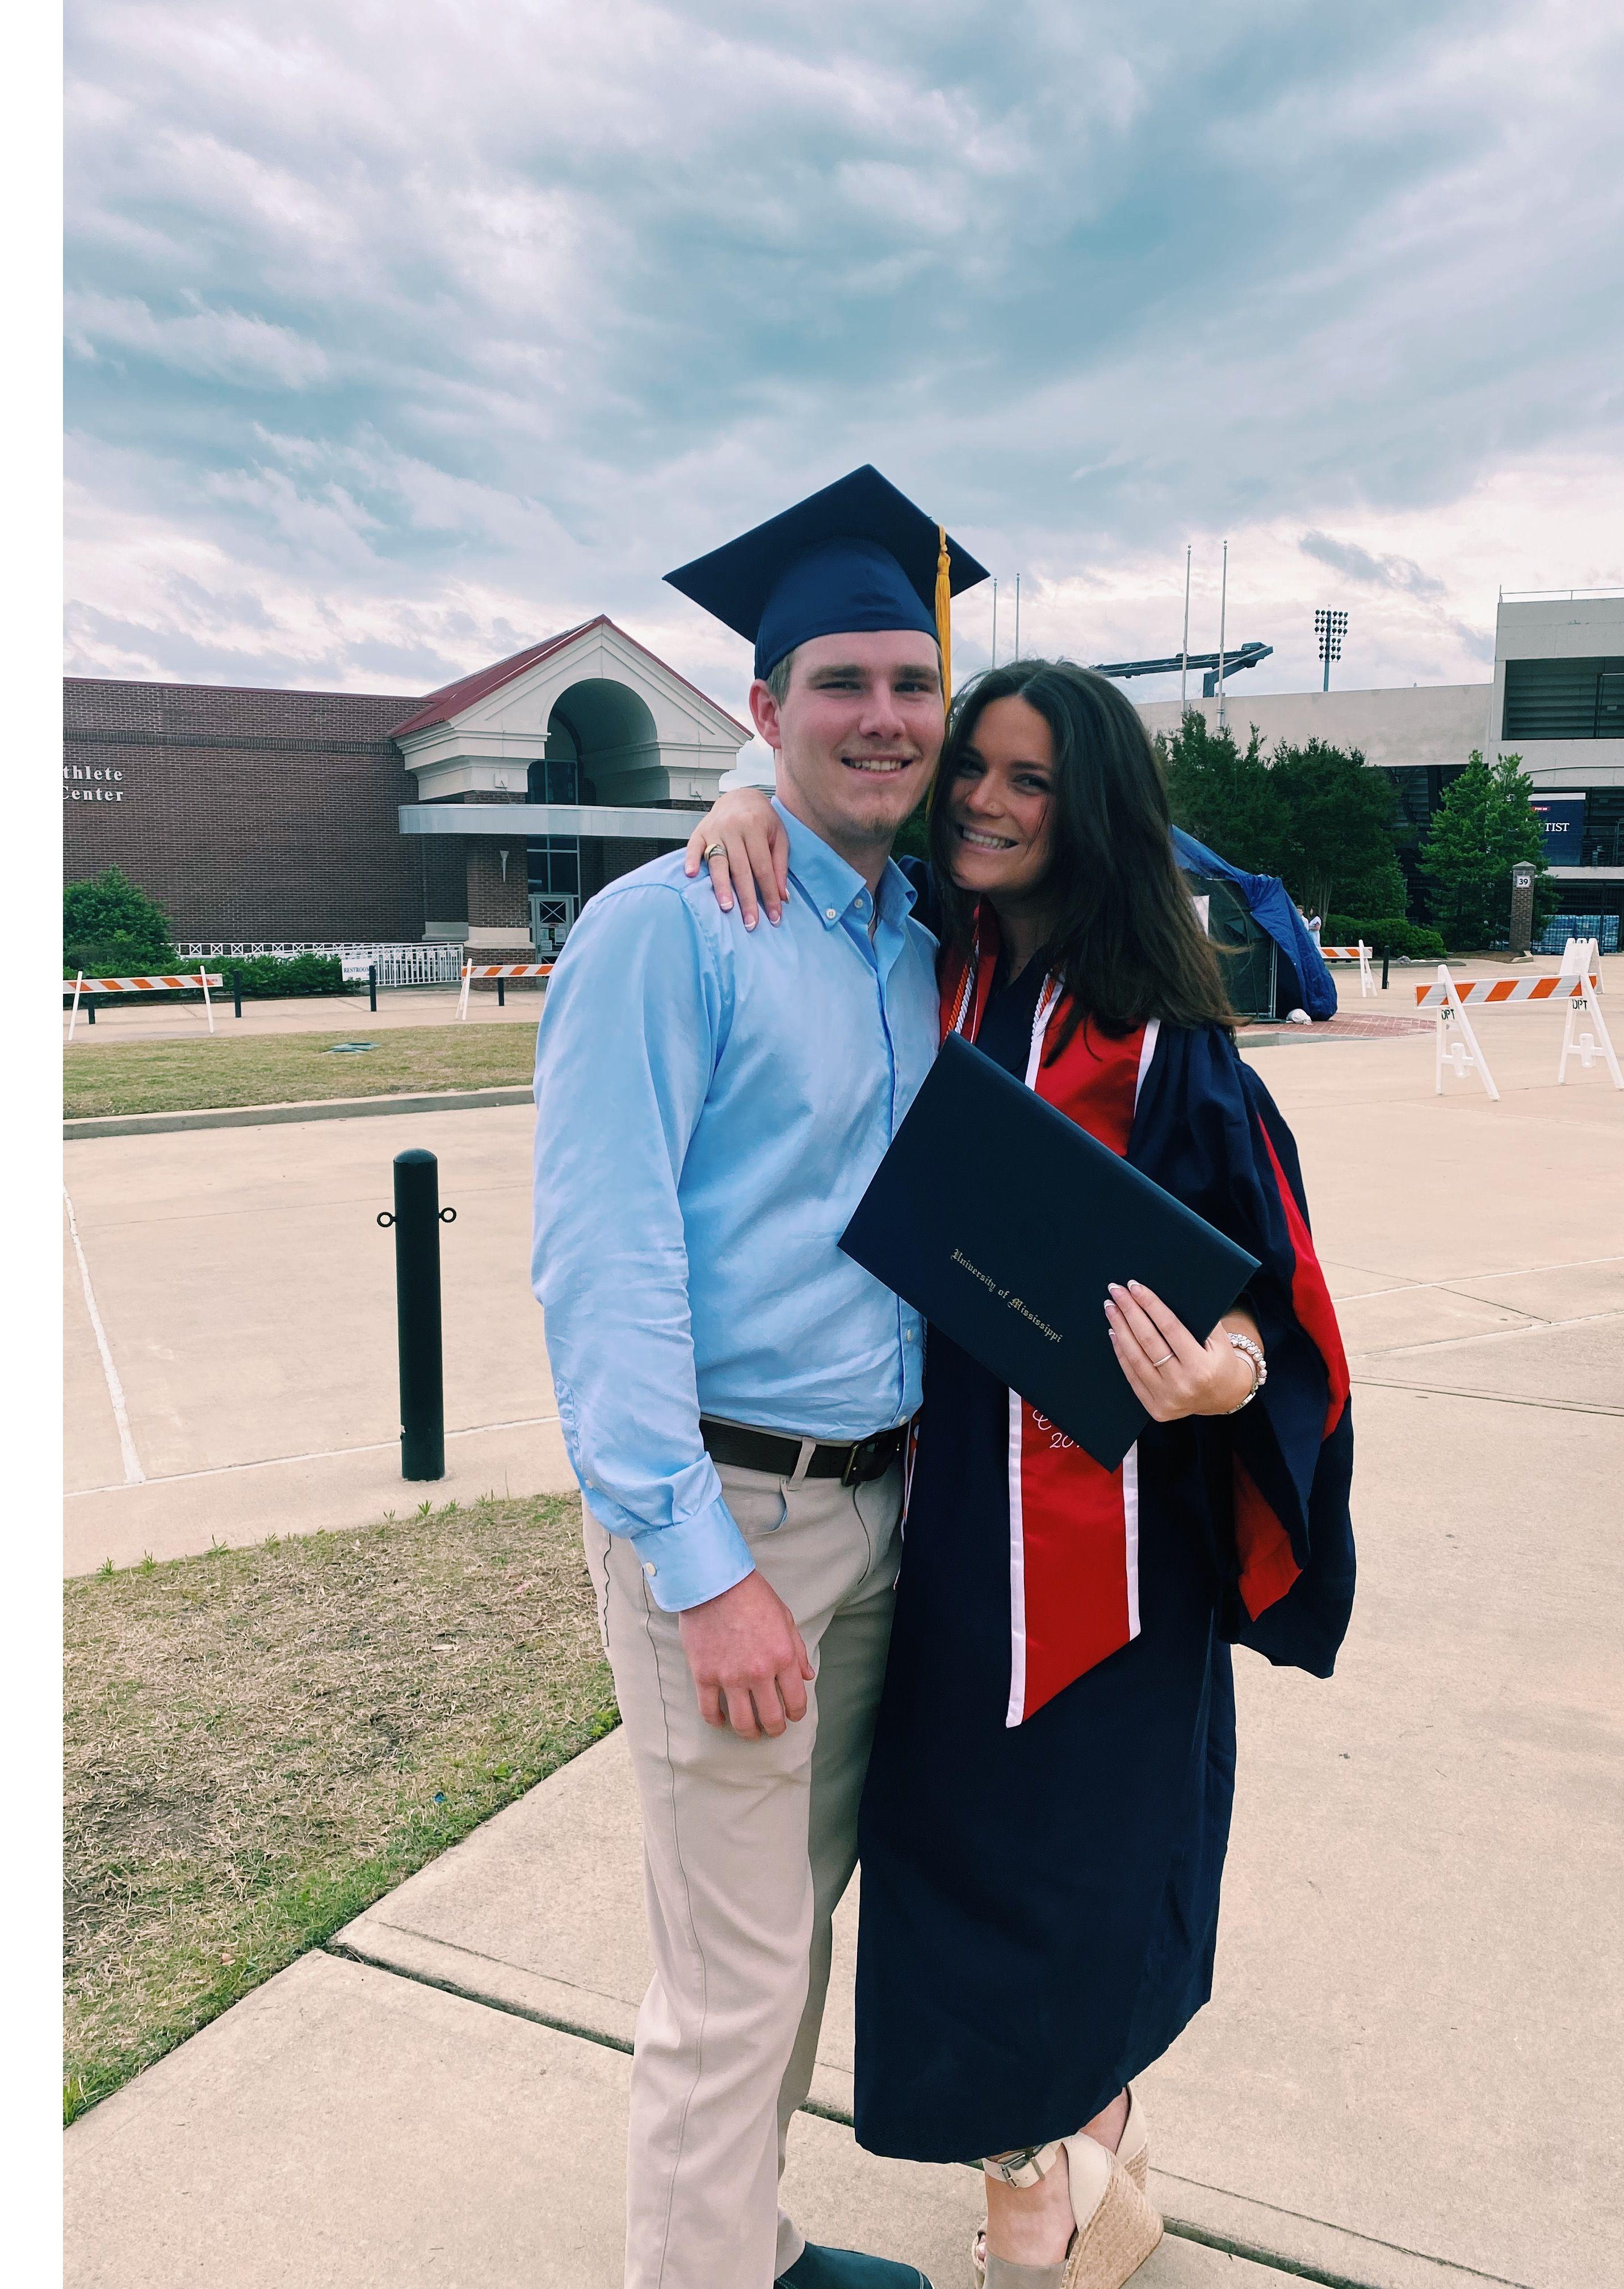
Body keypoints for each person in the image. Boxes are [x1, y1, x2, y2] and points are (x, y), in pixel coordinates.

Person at [686, 661, 1355, 2289]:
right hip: (944, 1541)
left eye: (1027, 780)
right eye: (972, 767)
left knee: (1077, 1884)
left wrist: (1225, 1377)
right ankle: (1076, 2152)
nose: (979, 798)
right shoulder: (923, 963)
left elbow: (1286, 1306)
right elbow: (818, 804)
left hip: (1115, 1560)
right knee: (964, 1881)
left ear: (1094, 809)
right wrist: (732, 791)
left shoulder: (1172, 1049)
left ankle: (1042, 2204)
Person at [531, 464, 991, 2289]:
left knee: (786, 1934)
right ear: (764, 708)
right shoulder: (668, 931)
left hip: (888, 1501)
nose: (883, 718)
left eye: (911, 685)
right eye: (838, 687)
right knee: (731, 1982)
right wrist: (702, 1573)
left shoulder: (914, 938)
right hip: (736, 1518)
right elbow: (604, 1265)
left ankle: (757, 2244)